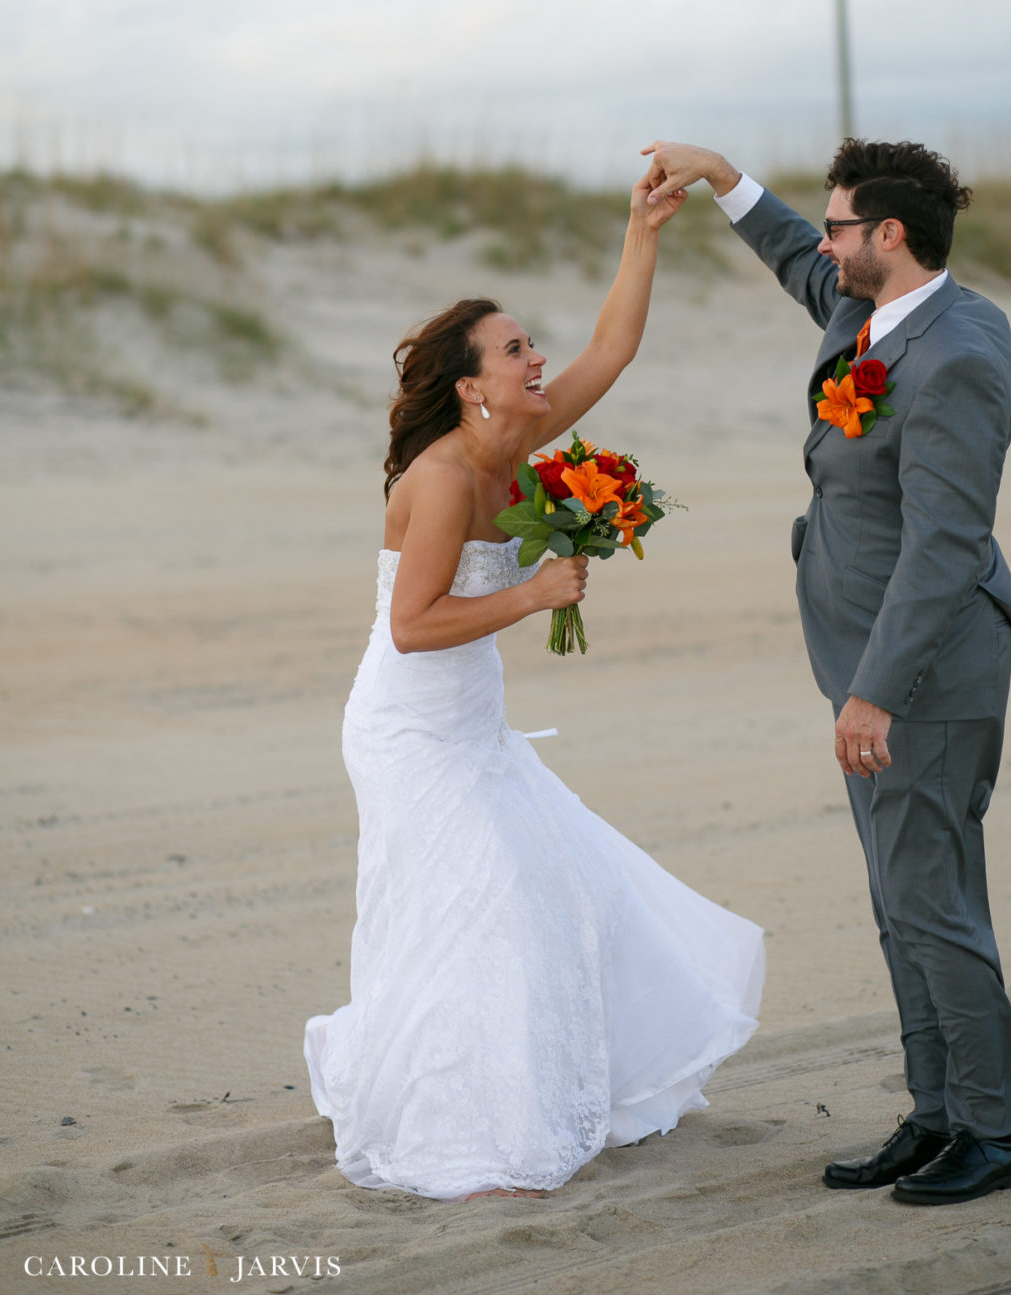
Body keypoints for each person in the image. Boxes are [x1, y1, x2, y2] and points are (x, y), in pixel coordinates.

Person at [304, 172, 766, 1202]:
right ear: (470, 384)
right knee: (479, 910)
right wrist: (534, 595)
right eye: (513, 349)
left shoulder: (524, 450)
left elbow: (613, 347)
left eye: (527, 344)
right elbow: (412, 626)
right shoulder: (442, 479)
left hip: (476, 725)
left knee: (560, 894)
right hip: (408, 730)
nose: (535, 358)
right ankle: (460, 1126)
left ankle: (549, 1092)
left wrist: (641, 232)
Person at [644, 137, 1011, 1206]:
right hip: (859, 660)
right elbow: (791, 254)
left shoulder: (957, 350)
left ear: (889, 235)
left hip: (918, 671)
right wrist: (722, 177)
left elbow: (945, 543)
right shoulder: (864, 309)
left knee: (932, 900)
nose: (823, 246)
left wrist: (873, 689)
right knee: (896, 898)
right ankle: (935, 1112)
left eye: (839, 228)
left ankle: (990, 1134)